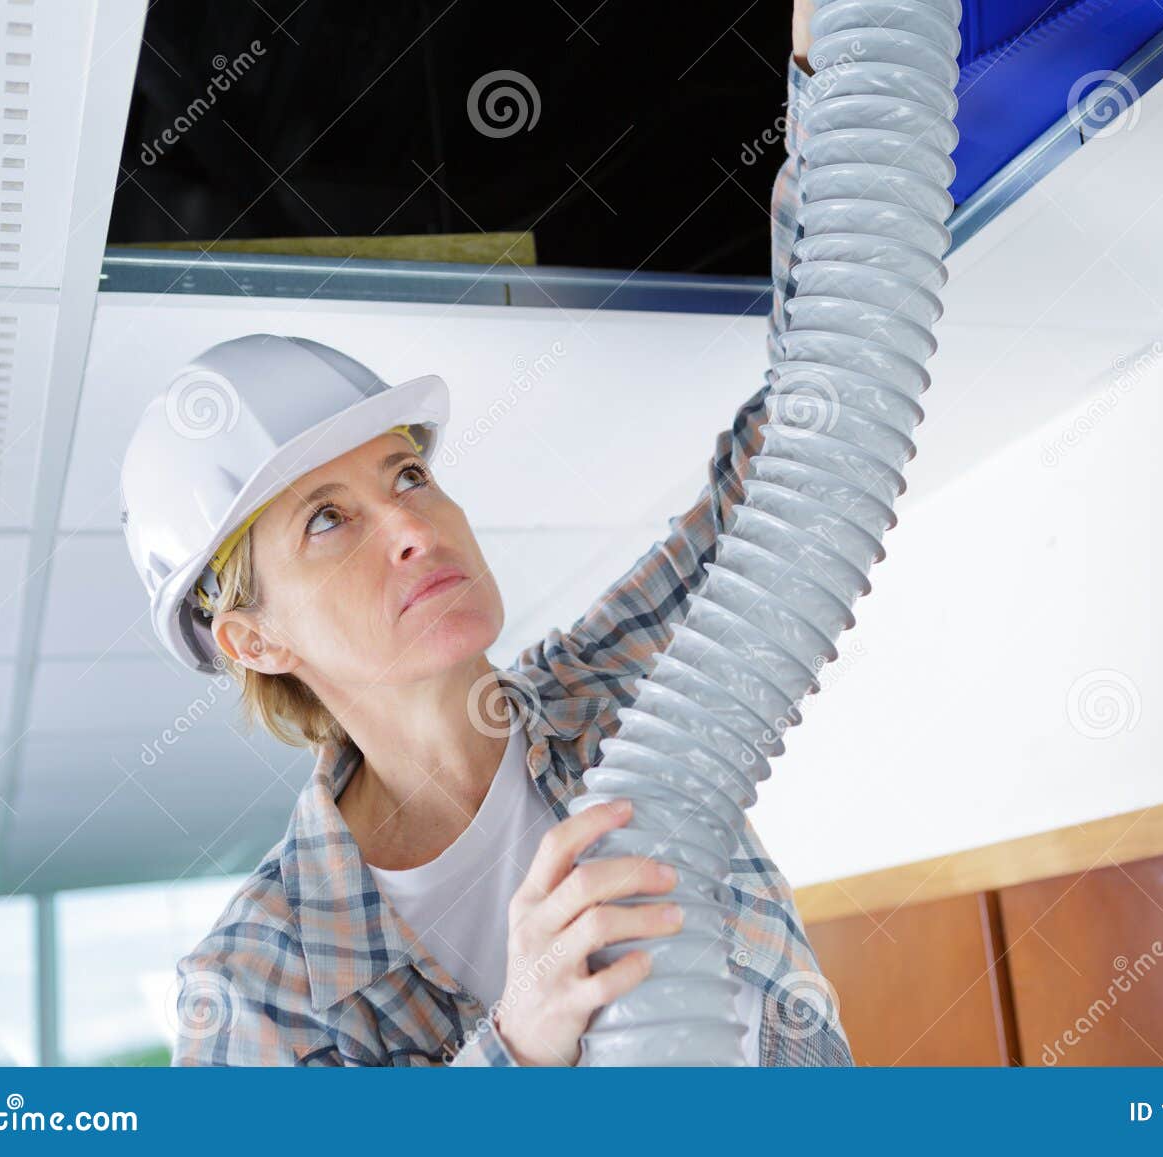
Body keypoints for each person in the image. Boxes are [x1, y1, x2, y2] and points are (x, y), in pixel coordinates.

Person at [120, 11, 848, 1067]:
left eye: (408, 473)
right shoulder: (253, 987)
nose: (413, 523)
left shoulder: (612, 692)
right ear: (253, 640)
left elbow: (796, 457)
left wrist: (833, 67)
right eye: (329, 518)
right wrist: (519, 1040)